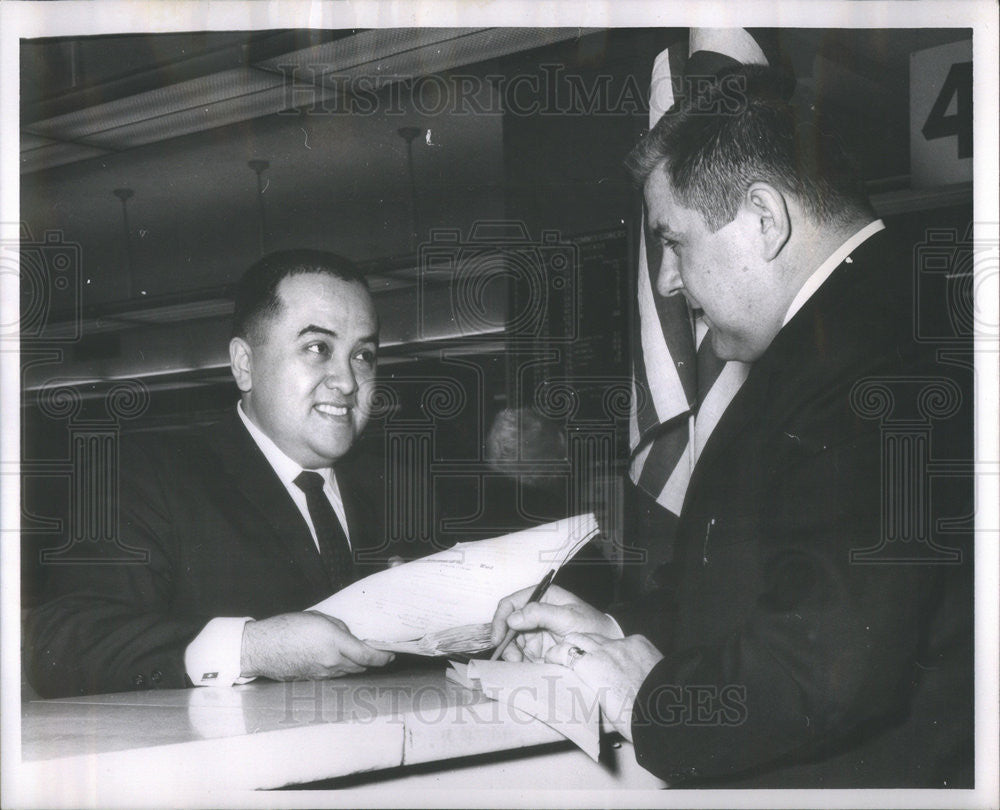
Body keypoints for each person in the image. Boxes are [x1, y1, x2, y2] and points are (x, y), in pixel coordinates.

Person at [491, 65, 973, 788]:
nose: (667, 282)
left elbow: (830, 664)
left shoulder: (871, 358)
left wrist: (649, 701)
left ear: (764, 219)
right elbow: (763, 592)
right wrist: (612, 630)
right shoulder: (861, 329)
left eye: (675, 242)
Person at [25, 250, 398, 697]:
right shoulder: (150, 473)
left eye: (364, 355)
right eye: (318, 348)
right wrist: (252, 649)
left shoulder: (395, 487)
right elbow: (64, 645)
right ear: (245, 364)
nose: (348, 381)